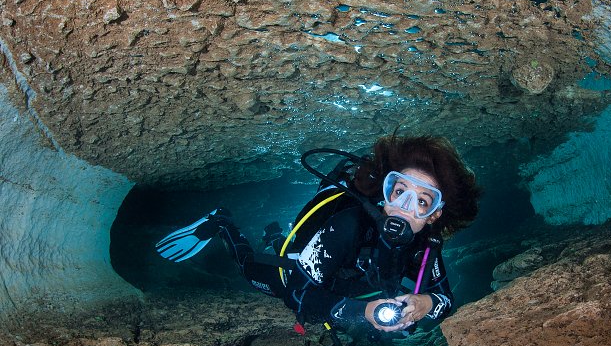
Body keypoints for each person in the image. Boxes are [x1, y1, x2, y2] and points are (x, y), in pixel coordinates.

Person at [156, 135, 481, 332]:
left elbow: (445, 299)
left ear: (435, 214)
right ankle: (222, 222)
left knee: (284, 246)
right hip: (297, 275)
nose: (404, 208)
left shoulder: (427, 247)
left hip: (330, 273)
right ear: (386, 193)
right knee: (247, 268)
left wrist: (425, 302)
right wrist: (363, 312)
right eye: (400, 192)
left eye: (422, 201)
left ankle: (273, 236)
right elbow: (299, 293)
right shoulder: (350, 224)